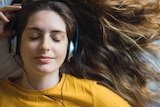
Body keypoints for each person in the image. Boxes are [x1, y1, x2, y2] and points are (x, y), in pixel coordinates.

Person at [0, 0, 160, 107]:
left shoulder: (93, 96)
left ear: (70, 47)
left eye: (56, 38)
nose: (44, 46)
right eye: (34, 37)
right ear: (15, 42)